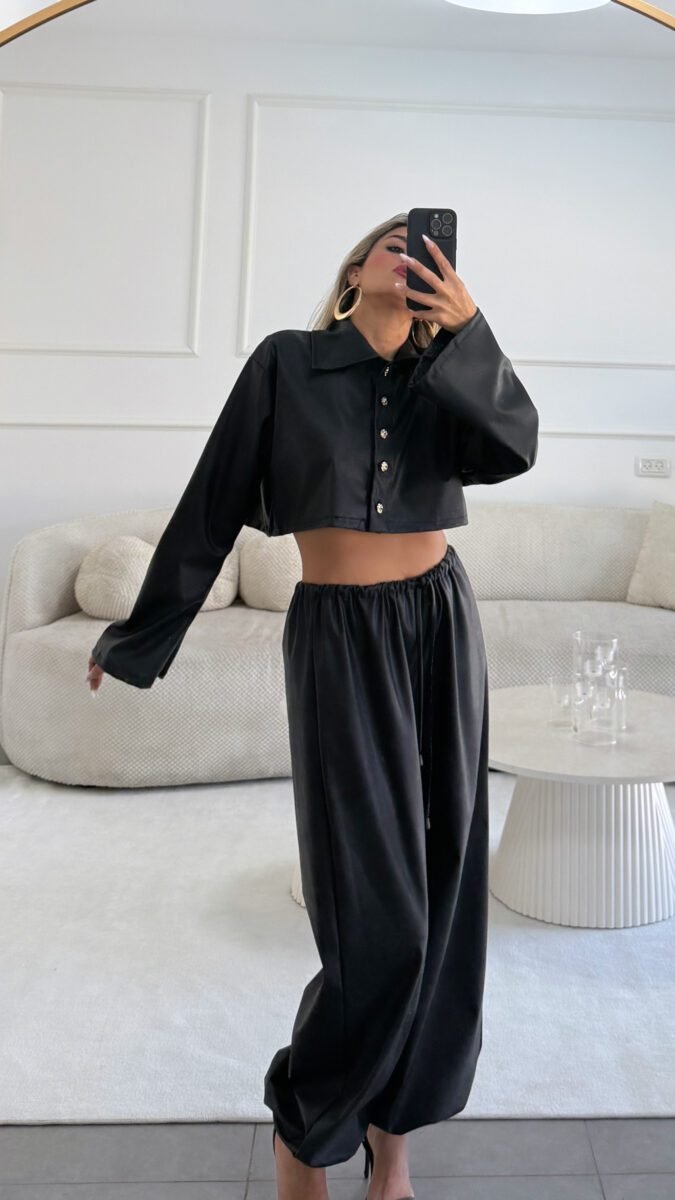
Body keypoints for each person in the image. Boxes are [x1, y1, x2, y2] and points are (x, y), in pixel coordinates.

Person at [86, 212, 539, 1200]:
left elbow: (515, 447)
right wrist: (139, 638)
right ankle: (306, 1127)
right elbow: (212, 501)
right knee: (377, 917)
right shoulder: (287, 363)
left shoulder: (447, 371)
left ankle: (393, 1140)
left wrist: (468, 332)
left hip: (441, 625)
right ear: (352, 271)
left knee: (447, 896)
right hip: (340, 637)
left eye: (427, 251)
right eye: (393, 243)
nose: (409, 257)